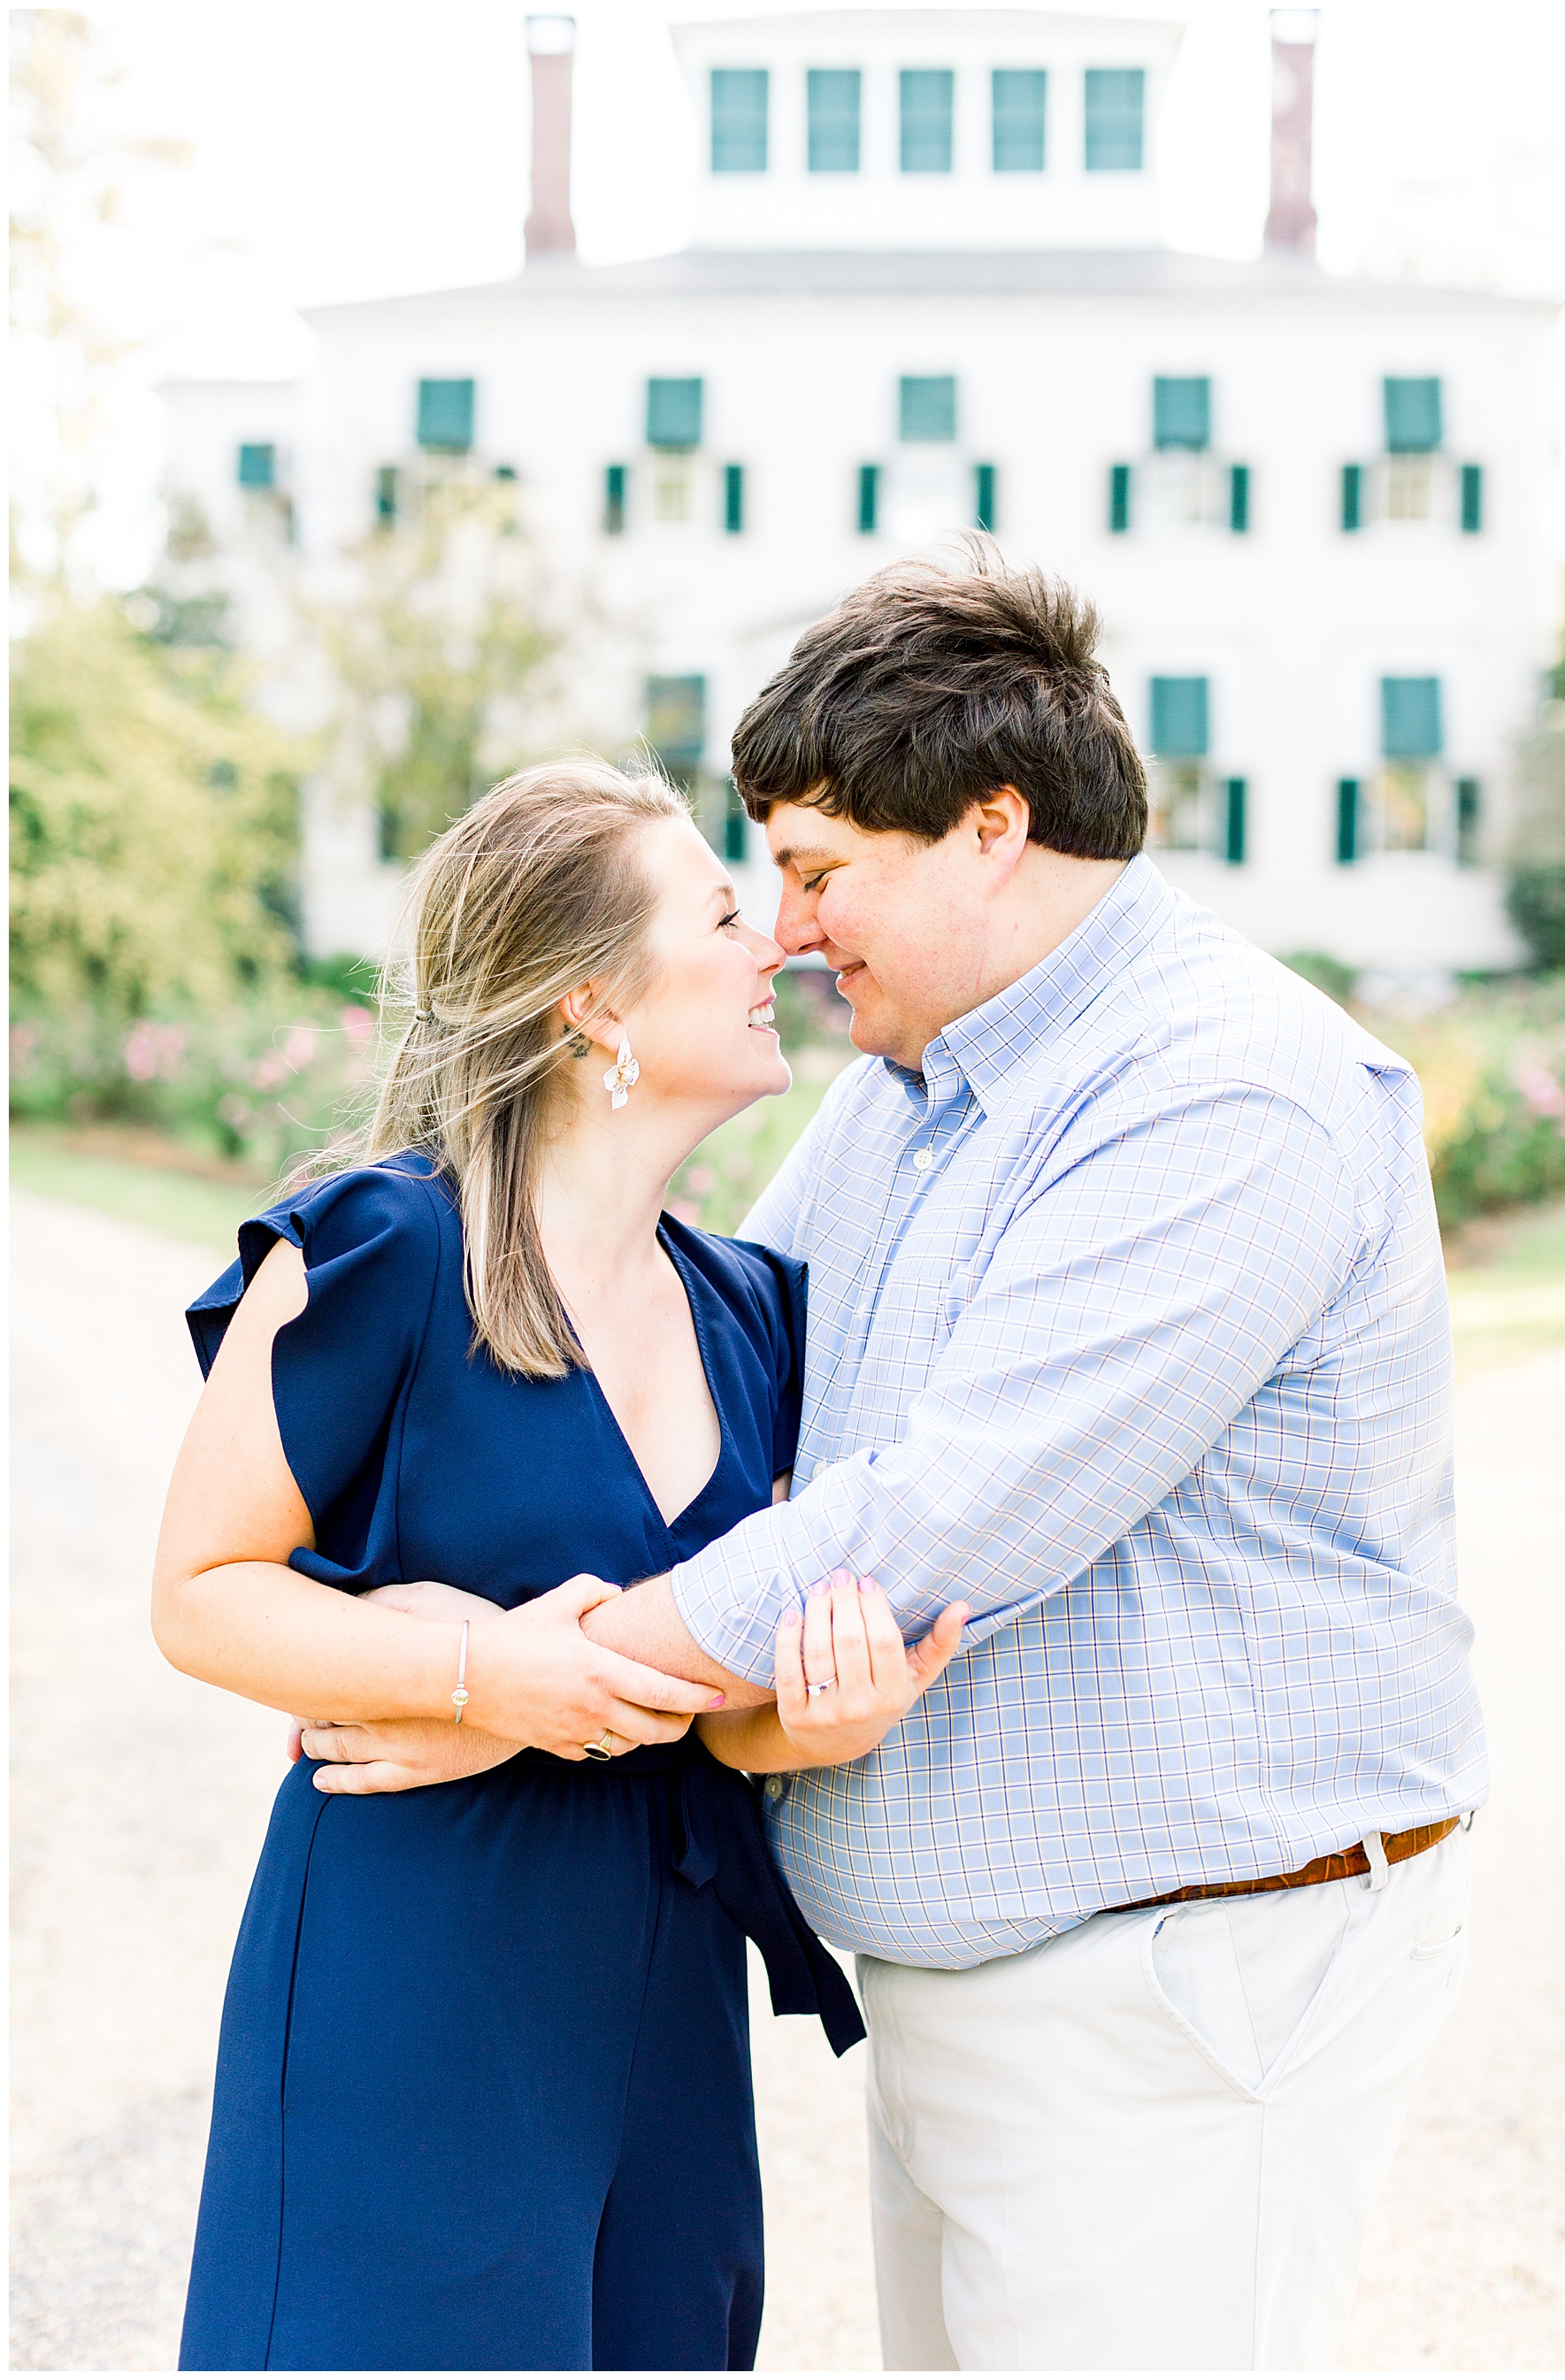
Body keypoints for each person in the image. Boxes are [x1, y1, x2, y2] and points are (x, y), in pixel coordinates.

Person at [330, 551, 1487, 2370]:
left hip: (1185, 1999)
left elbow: (936, 1516)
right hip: (990, 1999)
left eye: (815, 871)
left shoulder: (1227, 1090)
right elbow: (741, 1410)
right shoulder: (910, 1091)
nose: (783, 930)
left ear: (992, 828)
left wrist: (517, 1688)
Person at [151, 760, 967, 2374]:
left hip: (665, 1989)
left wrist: (819, 1723)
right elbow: (198, 1588)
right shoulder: (381, 1252)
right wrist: (477, 1675)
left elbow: (719, 1705)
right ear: (592, 1002)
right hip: (419, 1968)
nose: (777, 950)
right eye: (727, 916)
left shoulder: (750, 1313)